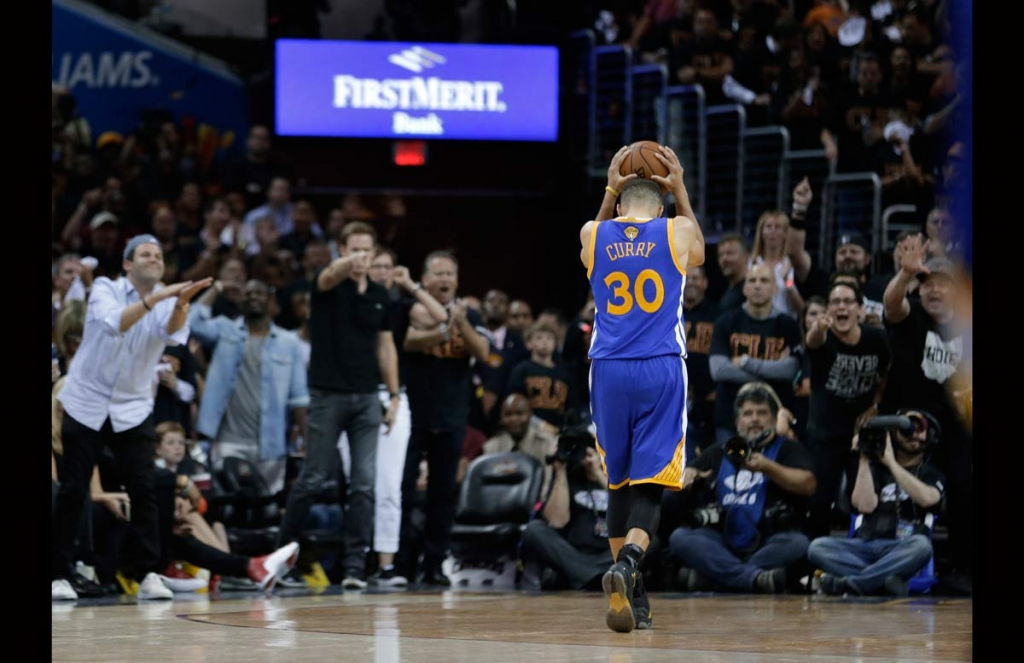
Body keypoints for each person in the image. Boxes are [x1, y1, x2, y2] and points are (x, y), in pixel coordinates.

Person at [581, 144, 704, 633]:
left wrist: (608, 190)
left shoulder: (593, 232)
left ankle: (637, 595)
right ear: (659, 203)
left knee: (617, 482)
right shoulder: (676, 230)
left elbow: (593, 236)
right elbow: (698, 249)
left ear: (618, 198)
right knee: (650, 483)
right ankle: (629, 563)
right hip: (659, 366)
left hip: (607, 368)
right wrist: (681, 189)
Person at [52, 233, 212, 601]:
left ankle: (148, 574)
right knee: (74, 489)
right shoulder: (106, 288)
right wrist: (159, 297)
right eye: (145, 254)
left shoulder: (168, 302)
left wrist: (181, 304)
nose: (154, 259)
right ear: (128, 263)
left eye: (158, 254)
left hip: (133, 406)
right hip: (86, 402)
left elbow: (171, 336)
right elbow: (115, 323)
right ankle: (58, 574)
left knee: (144, 489)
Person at [278, 222, 401, 589]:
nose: (362, 257)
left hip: (367, 397)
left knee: (364, 484)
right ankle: (281, 559)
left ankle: (353, 567)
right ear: (342, 249)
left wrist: (393, 395)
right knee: (313, 477)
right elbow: (330, 274)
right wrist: (346, 263)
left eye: (367, 250)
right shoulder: (327, 282)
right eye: (354, 249)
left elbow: (386, 347)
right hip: (327, 393)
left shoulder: (380, 294)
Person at [667, 385, 816, 595]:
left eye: (762, 413)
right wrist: (688, 475)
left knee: (798, 543)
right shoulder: (721, 449)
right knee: (680, 538)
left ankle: (717, 577)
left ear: (773, 420)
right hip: (721, 540)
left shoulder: (787, 448)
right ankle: (754, 579)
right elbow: (687, 473)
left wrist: (768, 467)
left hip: (769, 540)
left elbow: (808, 484)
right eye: (748, 413)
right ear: (738, 423)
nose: (754, 419)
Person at [808, 409, 944, 597]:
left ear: (930, 434)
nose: (913, 432)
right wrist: (864, 458)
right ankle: (880, 581)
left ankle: (855, 584)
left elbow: (928, 499)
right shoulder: (876, 469)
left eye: (919, 427)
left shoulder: (931, 472)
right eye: (907, 427)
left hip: (901, 548)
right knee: (818, 547)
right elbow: (864, 506)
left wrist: (892, 464)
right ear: (894, 434)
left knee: (922, 546)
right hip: (865, 545)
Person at [803, 282, 891, 538]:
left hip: (859, 435)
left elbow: (886, 375)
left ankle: (858, 557)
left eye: (848, 301)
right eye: (836, 302)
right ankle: (813, 568)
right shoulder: (824, 336)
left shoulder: (876, 339)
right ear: (829, 308)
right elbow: (813, 341)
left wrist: (876, 406)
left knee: (862, 500)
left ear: (859, 309)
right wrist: (817, 328)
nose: (841, 306)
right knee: (819, 502)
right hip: (824, 434)